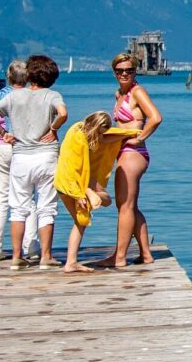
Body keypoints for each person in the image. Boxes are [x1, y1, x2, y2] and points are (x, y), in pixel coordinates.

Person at [0, 54, 67, 269]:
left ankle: (16, 257)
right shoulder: (52, 95)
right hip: (46, 156)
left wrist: (4, 133)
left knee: (18, 208)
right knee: (47, 207)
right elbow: (63, 113)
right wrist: (53, 128)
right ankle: (45, 257)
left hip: (21, 157)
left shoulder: (15, 96)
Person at [99, 51, 163, 269]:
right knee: (130, 207)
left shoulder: (137, 92)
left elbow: (155, 117)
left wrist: (140, 138)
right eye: (120, 70)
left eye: (129, 70)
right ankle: (145, 254)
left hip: (133, 153)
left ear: (135, 71)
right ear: (114, 72)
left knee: (124, 207)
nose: (124, 74)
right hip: (123, 152)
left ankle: (119, 257)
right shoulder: (119, 94)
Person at [53, 111, 134, 273]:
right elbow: (72, 167)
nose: (100, 136)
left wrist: (130, 134)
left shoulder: (81, 129)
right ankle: (71, 262)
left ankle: (71, 262)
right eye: (99, 132)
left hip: (75, 183)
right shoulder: (78, 140)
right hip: (70, 185)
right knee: (81, 220)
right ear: (95, 126)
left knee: (83, 219)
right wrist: (78, 195)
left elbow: (106, 138)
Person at [0, 61, 30, 261]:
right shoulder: (31, 96)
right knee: (27, 199)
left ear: (8, 78)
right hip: (23, 147)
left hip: (0, 147)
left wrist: (1, 131)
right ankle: (31, 247)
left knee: (0, 199)